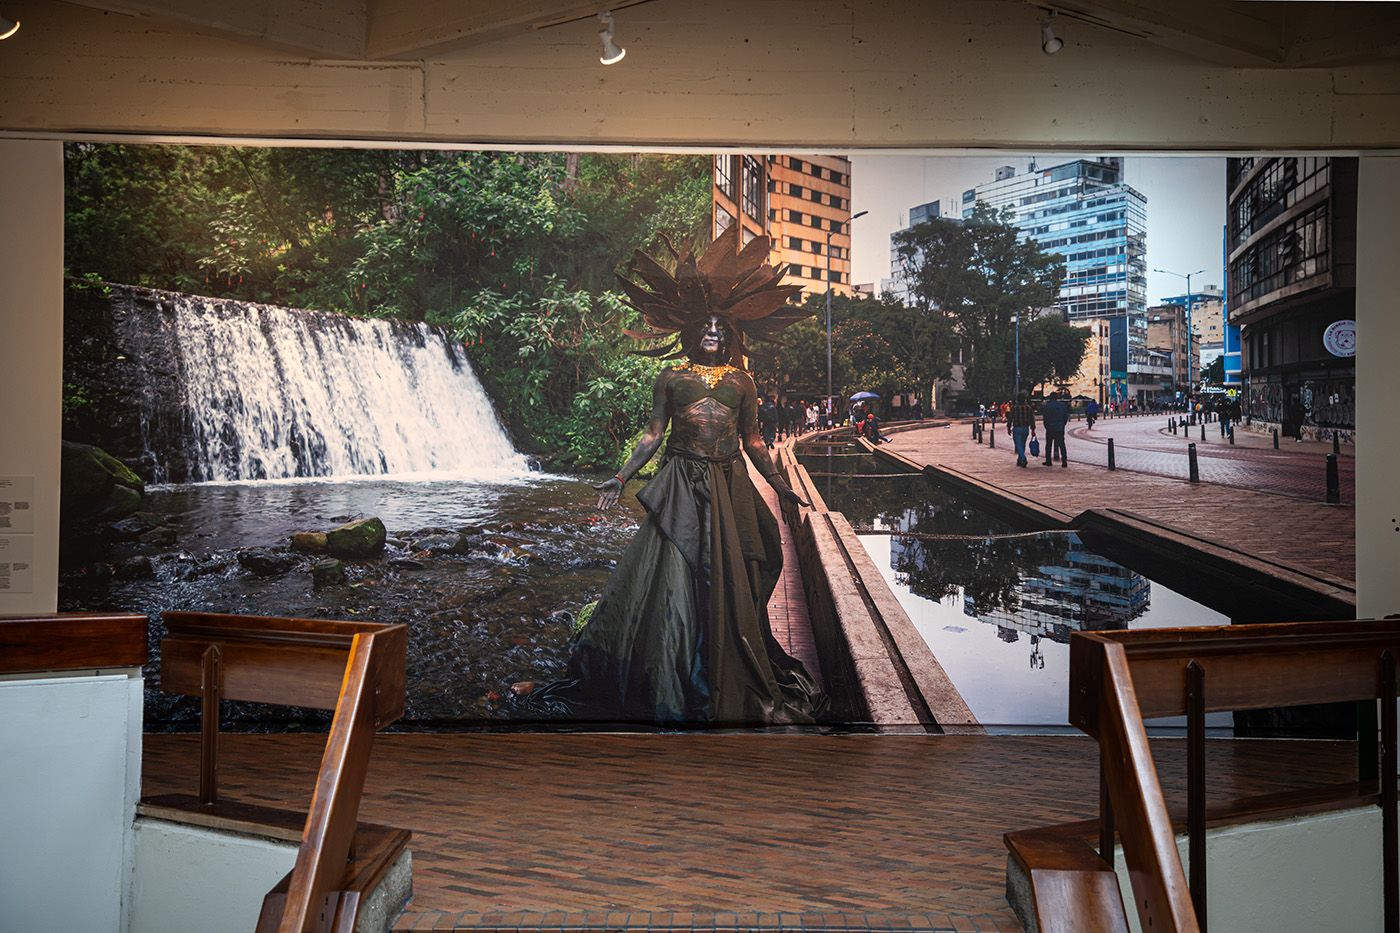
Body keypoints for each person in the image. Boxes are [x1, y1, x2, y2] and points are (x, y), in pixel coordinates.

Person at [571, 226, 824, 726]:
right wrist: (620, 479)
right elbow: (652, 435)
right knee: (673, 577)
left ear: (730, 335)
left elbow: (753, 442)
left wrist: (780, 488)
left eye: (719, 327)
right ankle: (669, 670)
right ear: (693, 333)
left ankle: (724, 660)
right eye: (706, 326)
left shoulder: (742, 382)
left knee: (736, 568)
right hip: (682, 482)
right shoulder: (671, 378)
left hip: (728, 487)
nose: (712, 332)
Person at [1006, 391, 1036, 467]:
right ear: (1025, 399)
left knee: (1018, 445)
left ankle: (1023, 458)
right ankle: (1019, 460)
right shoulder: (1028, 408)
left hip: (1017, 428)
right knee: (1022, 444)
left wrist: (1008, 427)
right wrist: (1033, 429)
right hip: (1026, 428)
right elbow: (1032, 419)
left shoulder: (1014, 408)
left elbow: (1010, 418)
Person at [1040, 389, 1069, 467]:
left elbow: (1045, 418)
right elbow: (1065, 417)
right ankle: (1064, 461)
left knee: (1049, 445)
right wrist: (1062, 424)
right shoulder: (1062, 406)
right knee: (1061, 444)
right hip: (1059, 427)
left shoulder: (1047, 406)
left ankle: (1048, 460)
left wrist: (1047, 426)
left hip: (1050, 427)